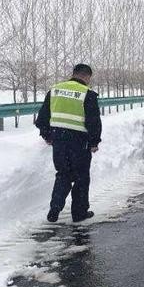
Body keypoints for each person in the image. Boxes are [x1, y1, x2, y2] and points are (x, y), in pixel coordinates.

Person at [35, 63, 101, 223]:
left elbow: (42, 117)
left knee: (63, 174)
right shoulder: (87, 94)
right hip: (79, 143)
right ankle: (79, 213)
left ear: (74, 73)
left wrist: (47, 135)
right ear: (87, 76)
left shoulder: (55, 90)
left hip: (59, 140)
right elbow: (93, 121)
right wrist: (94, 141)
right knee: (81, 178)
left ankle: (55, 208)